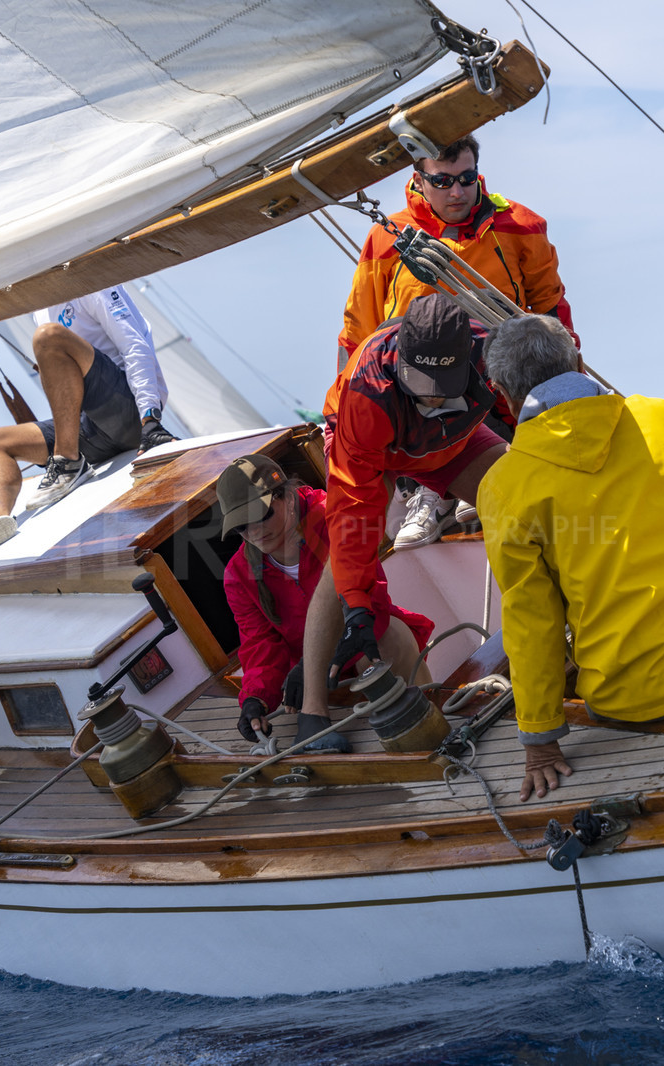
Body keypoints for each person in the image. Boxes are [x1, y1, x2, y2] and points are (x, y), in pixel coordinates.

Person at [474, 315, 664, 802]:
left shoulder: (503, 488)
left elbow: (533, 622)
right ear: (578, 357)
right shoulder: (661, 417)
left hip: (640, 699)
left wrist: (539, 741)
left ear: (501, 393)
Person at [338, 133, 578, 549]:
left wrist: (569, 385)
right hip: (421, 402)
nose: (458, 191)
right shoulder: (387, 239)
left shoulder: (519, 226)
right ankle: (434, 495)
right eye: (443, 181)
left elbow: (551, 313)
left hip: (504, 391)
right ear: (419, 179)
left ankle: (476, 483)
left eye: (467, 178)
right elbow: (359, 330)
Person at [309, 293, 506, 698]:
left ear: (469, 355)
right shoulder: (367, 395)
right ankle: (313, 703)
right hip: (377, 448)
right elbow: (353, 512)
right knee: (347, 560)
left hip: (452, 441)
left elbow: (538, 415)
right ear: (400, 360)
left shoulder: (496, 351)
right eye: (421, 387)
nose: (432, 398)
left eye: (443, 389)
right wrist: (358, 609)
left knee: (526, 498)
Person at [0, 285, 176, 569]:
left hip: (129, 414)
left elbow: (135, 344)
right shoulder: (41, 308)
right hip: (92, 427)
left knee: (48, 337)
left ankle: (68, 463)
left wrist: (150, 420)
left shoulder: (93, 284)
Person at [218, 454, 433, 753]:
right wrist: (255, 698)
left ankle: (427, 729)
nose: (254, 532)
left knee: (386, 636)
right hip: (311, 689)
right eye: (241, 527)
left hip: (363, 650)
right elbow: (260, 644)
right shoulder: (237, 575)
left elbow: (372, 602)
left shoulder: (335, 516)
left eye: (262, 515)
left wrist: (312, 666)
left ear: (288, 497)